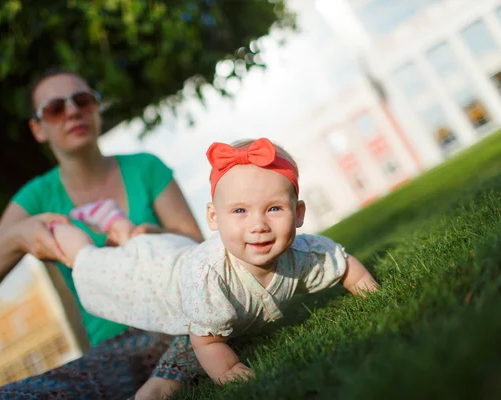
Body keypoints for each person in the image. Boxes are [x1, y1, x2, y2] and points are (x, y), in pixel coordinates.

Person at [0, 68, 206, 400]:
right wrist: (17, 237)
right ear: (38, 128)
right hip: (115, 350)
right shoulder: (37, 196)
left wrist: (153, 236)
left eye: (82, 100)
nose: (73, 111)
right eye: (55, 108)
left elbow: (200, 250)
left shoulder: (146, 168)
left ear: (96, 109)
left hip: (179, 318)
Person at [50, 137, 380, 383]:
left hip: (175, 253)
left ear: (299, 213)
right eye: (240, 211)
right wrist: (230, 369)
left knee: (139, 244)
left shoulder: (305, 256)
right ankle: (59, 229)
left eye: (274, 208)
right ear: (214, 217)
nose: (258, 225)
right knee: (90, 263)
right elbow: (206, 339)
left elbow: (345, 266)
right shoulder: (209, 276)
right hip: (154, 280)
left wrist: (372, 295)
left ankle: (119, 226)